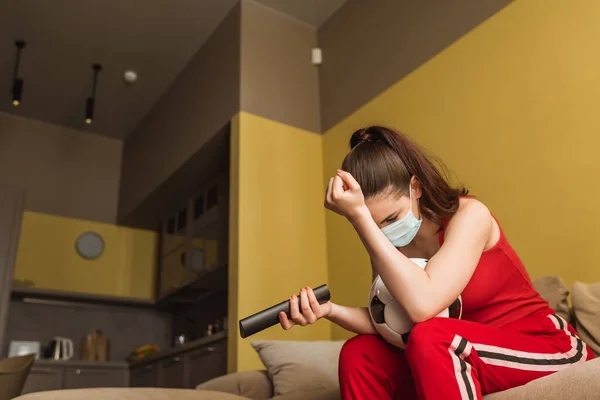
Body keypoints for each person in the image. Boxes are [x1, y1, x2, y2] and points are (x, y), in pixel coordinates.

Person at [278, 126, 594, 400]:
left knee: (432, 336)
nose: (384, 233)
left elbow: (423, 306)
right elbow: (391, 322)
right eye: (376, 226)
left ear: (415, 188)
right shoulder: (388, 243)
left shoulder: (469, 216)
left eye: (390, 218)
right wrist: (330, 311)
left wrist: (360, 219)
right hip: (458, 353)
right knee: (359, 354)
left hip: (543, 345)